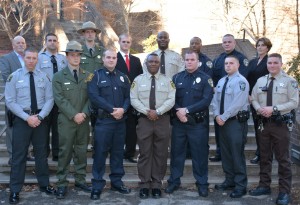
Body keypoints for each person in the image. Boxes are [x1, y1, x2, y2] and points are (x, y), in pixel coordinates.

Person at [5, 48, 56, 204]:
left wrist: (39, 116)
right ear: (24, 58)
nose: (31, 60)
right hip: (22, 119)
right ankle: (15, 190)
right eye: (29, 58)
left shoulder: (45, 77)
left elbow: (50, 99)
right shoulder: (14, 77)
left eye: (34, 58)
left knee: (41, 154)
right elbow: (10, 101)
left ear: (37, 59)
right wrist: (27, 117)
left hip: (40, 119)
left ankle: (44, 185)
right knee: (19, 156)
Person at [249, 53, 299, 205]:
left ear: (281, 64)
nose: (271, 65)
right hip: (264, 123)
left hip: (281, 125)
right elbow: (253, 97)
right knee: (264, 157)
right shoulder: (260, 80)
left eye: (275, 63)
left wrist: (274, 108)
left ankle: (284, 192)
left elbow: (294, 102)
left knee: (283, 159)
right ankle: (264, 185)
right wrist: (259, 109)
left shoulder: (290, 81)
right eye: (269, 63)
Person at [165, 50, 213, 197]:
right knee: (176, 153)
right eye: (187, 60)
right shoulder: (176, 77)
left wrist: (186, 110)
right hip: (179, 123)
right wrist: (179, 111)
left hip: (197, 124)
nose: (189, 62)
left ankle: (202, 183)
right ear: (184, 61)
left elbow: (206, 100)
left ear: (198, 61)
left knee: (199, 154)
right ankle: (174, 181)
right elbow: (170, 97)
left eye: (192, 59)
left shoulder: (206, 79)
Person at [88, 49, 131, 200]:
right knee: (100, 153)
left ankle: (117, 182)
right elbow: (94, 96)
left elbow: (128, 97)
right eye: (108, 57)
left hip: (120, 122)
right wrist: (112, 109)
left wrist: (123, 109)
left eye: (114, 57)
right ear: (103, 59)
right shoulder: (96, 76)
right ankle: (97, 185)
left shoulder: (123, 77)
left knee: (118, 153)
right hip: (104, 122)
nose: (111, 60)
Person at [130, 53, 175, 199]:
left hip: (162, 120)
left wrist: (159, 111)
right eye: (151, 61)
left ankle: (156, 184)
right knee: (144, 153)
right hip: (144, 120)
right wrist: (147, 112)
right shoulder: (138, 80)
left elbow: (171, 99)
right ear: (146, 63)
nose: (154, 63)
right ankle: (144, 184)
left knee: (161, 154)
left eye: (156, 61)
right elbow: (133, 99)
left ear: (159, 63)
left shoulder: (167, 81)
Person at [52, 41, 93, 199]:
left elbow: (92, 97)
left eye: (78, 55)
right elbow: (59, 99)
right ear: (67, 56)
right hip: (67, 121)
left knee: (81, 150)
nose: (76, 58)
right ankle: (61, 183)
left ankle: (80, 179)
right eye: (72, 55)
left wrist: (83, 113)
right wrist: (74, 114)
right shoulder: (58, 77)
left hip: (83, 120)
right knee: (65, 151)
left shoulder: (88, 75)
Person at [212, 55, 249, 198]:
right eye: (226, 63)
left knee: (236, 154)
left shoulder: (241, 82)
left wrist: (223, 116)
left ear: (238, 65)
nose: (228, 65)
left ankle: (240, 186)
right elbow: (215, 101)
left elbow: (238, 103)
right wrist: (216, 115)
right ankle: (229, 180)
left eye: (231, 63)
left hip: (235, 123)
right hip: (222, 122)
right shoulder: (221, 81)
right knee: (226, 154)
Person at [210, 34, 249, 162]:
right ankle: (220, 152)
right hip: (221, 98)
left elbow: (244, 77)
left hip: (233, 103)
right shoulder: (218, 59)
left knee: (235, 149)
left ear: (234, 43)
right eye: (224, 42)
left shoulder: (241, 58)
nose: (226, 44)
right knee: (219, 132)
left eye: (229, 42)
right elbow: (214, 76)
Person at [36, 33, 67, 161]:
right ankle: (43, 153)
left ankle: (56, 153)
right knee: (43, 128)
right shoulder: (38, 58)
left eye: (55, 40)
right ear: (46, 42)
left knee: (57, 127)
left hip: (59, 97)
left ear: (57, 42)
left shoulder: (63, 59)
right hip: (44, 98)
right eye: (50, 40)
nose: (52, 42)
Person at [0, 36, 29, 165]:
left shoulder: (30, 58)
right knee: (11, 128)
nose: (21, 45)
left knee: (27, 128)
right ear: (13, 45)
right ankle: (12, 156)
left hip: (29, 100)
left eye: (23, 42)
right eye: (18, 43)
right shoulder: (6, 59)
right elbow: (7, 77)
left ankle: (26, 153)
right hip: (14, 99)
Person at [116, 33, 143, 163]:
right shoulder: (113, 58)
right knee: (118, 128)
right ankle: (117, 152)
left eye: (128, 42)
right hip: (118, 98)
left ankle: (130, 153)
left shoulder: (136, 60)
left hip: (133, 99)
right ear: (119, 43)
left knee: (132, 128)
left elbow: (140, 78)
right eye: (123, 42)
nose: (126, 44)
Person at [246, 37, 272, 164]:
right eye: (258, 45)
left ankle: (266, 154)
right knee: (257, 127)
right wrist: (248, 94)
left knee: (266, 127)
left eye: (263, 45)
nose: (260, 47)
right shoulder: (252, 62)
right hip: (253, 99)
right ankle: (260, 152)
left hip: (265, 98)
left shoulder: (269, 62)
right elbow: (246, 79)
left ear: (268, 48)